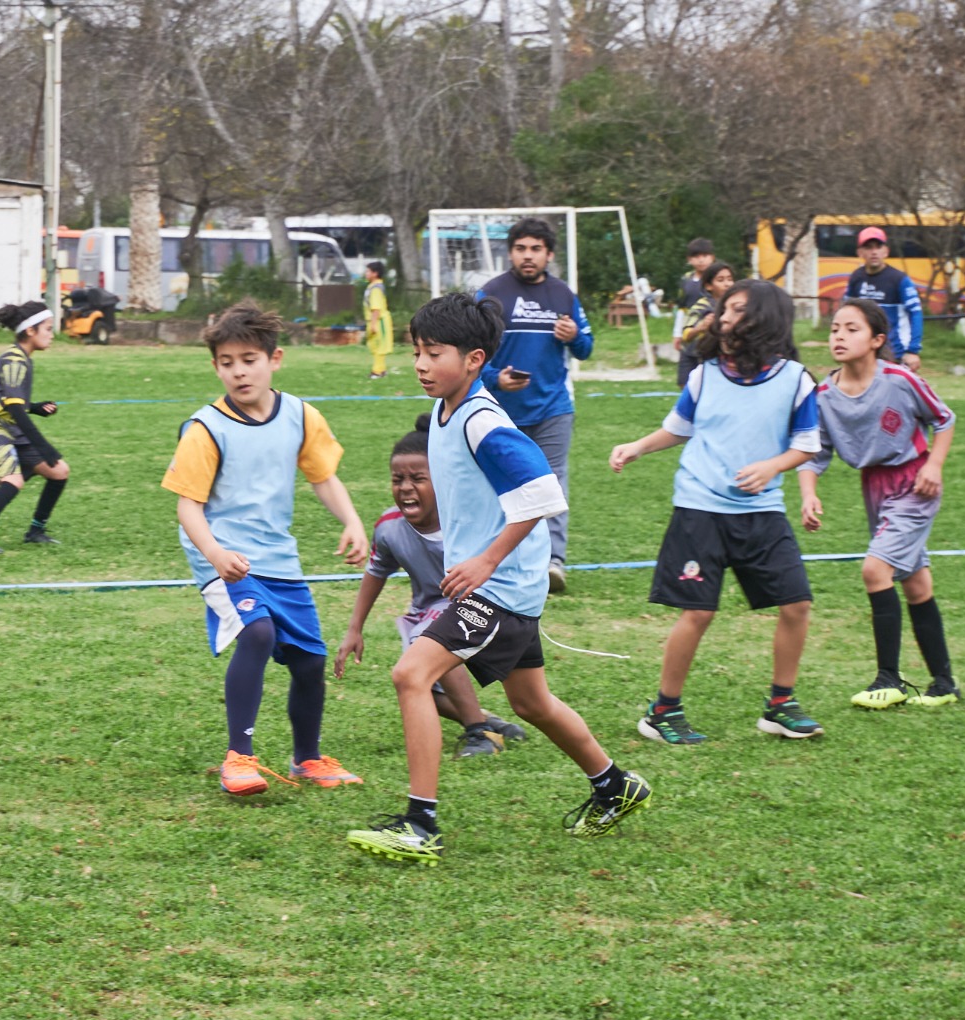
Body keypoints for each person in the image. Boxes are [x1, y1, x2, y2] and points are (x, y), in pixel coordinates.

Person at [346, 292, 650, 865]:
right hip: (508, 586)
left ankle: (420, 825)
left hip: (499, 589)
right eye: (416, 351)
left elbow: (543, 494)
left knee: (411, 674)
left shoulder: (483, 420)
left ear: (474, 359)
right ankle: (615, 784)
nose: (420, 364)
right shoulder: (445, 412)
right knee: (532, 702)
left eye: (434, 353)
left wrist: (485, 560)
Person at [161, 300, 368, 796]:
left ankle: (308, 759)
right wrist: (215, 555)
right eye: (227, 362)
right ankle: (239, 759)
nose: (238, 371)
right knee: (256, 632)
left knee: (309, 660)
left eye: (249, 359)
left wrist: (354, 522)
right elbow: (187, 508)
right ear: (216, 367)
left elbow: (324, 477)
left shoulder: (299, 414)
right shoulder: (205, 427)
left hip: (278, 555)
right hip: (223, 556)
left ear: (275, 360)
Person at [610, 278, 823, 744]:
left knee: (797, 603)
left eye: (737, 310)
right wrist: (638, 447)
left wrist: (772, 466)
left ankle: (781, 704)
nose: (724, 318)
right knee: (698, 613)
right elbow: (679, 428)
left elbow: (807, 445)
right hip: (699, 509)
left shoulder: (795, 380)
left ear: (764, 320)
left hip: (762, 513)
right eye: (725, 310)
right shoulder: (704, 374)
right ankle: (663, 711)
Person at [334, 414, 529, 758]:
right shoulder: (389, 528)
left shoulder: (469, 522)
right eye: (398, 479)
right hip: (431, 613)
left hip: (490, 608)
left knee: (528, 697)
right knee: (418, 689)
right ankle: (486, 722)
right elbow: (376, 572)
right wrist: (354, 629)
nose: (406, 487)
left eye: (418, 478)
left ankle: (480, 734)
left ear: (443, 480)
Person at [799, 299, 959, 708]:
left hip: (915, 483)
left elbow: (943, 418)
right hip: (874, 487)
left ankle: (889, 679)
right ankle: (945, 684)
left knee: (875, 569)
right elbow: (814, 454)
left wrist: (935, 466)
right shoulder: (824, 395)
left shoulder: (900, 379)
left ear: (877, 340)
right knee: (916, 582)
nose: (839, 335)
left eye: (852, 329)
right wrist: (809, 493)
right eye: (835, 328)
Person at [476, 217, 593, 593]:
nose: (528, 256)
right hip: (499, 408)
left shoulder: (563, 296)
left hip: (553, 407)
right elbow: (471, 352)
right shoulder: (490, 294)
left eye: (536, 249)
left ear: (549, 254)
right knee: (498, 482)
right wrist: (497, 380)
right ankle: (498, 557)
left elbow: (587, 349)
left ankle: (553, 561)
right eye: (521, 248)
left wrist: (574, 337)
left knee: (552, 479)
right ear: (510, 252)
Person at [0, 300, 68, 553]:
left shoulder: (22, 358)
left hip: (10, 429)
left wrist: (35, 406)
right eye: (48, 329)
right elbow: (14, 409)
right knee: (13, 480)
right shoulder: (14, 360)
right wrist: (45, 446)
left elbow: (12, 401)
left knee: (60, 471)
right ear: (30, 331)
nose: (52, 335)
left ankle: (36, 531)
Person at [843, 226, 923, 372]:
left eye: (878, 247)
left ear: (886, 251)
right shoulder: (856, 278)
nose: (874, 252)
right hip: (864, 353)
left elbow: (916, 313)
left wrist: (913, 350)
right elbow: (846, 315)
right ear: (860, 252)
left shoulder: (899, 280)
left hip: (895, 355)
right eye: (868, 247)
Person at [676, 260, 735, 386]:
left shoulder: (737, 305)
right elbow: (686, 335)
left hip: (718, 358)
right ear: (709, 286)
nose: (727, 284)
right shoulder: (702, 306)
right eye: (721, 280)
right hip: (693, 357)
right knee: (691, 394)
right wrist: (701, 327)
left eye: (729, 279)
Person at [672, 238, 716, 340]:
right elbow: (681, 307)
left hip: (711, 331)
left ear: (712, 257)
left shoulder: (718, 278)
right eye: (696, 256)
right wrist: (677, 334)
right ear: (689, 259)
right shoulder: (686, 279)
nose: (701, 260)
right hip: (690, 330)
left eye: (705, 256)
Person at [363, 260, 393, 380]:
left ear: (375, 273)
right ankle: (380, 369)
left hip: (379, 321)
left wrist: (374, 324)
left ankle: (378, 371)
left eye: (368, 271)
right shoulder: (372, 287)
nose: (366, 273)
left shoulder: (376, 288)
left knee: (379, 346)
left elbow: (376, 308)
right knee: (375, 346)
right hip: (374, 320)